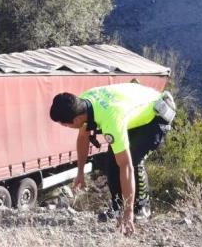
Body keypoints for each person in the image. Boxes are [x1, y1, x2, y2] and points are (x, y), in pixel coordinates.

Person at [49, 82, 174, 236]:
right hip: (132, 114)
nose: (65, 127)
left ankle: (140, 210)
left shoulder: (111, 120)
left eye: (64, 125)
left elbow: (126, 166)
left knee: (132, 160)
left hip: (156, 115)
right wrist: (80, 171)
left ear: (75, 120)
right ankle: (117, 209)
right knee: (111, 161)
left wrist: (128, 213)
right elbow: (83, 137)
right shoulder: (83, 102)